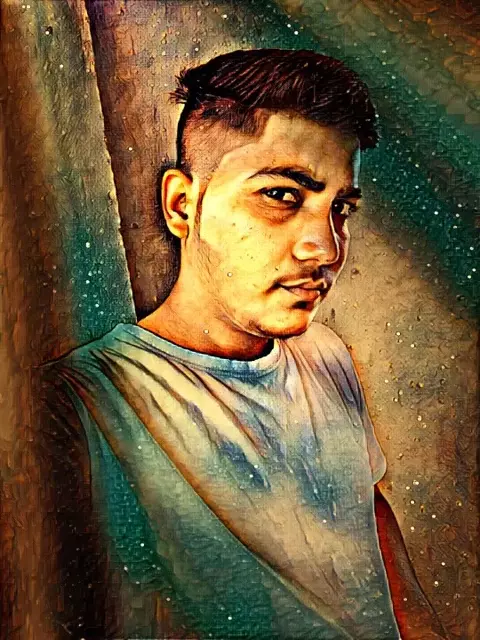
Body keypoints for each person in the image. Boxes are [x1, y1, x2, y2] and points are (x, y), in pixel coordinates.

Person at [39, 49, 447, 639]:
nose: (327, 249)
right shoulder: (80, 402)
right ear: (182, 205)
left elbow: (368, 519)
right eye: (282, 195)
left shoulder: (324, 354)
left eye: (340, 209)